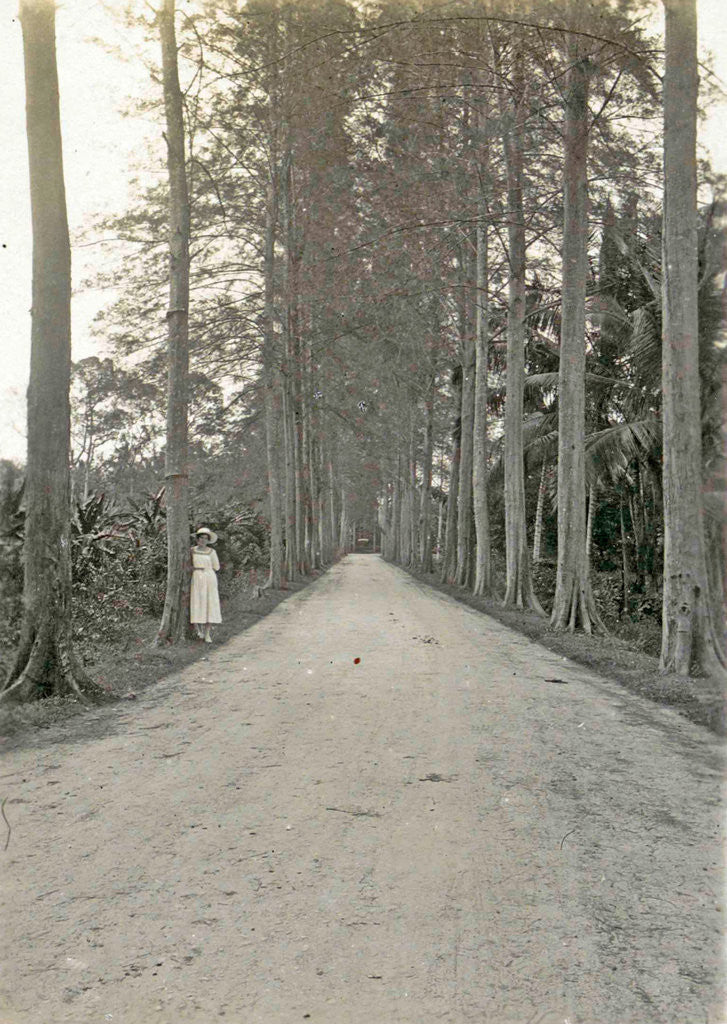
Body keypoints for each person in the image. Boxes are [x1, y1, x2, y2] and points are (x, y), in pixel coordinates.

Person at [190, 527, 221, 642]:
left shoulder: (211, 552)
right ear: (197, 539)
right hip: (197, 577)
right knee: (197, 602)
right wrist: (196, 569)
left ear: (208, 540)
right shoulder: (192, 550)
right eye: (201, 538)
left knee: (209, 603)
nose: (203, 540)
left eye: (205, 538)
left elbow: (216, 567)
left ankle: (207, 634)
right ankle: (199, 630)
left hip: (209, 578)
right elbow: (187, 565)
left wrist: (206, 570)